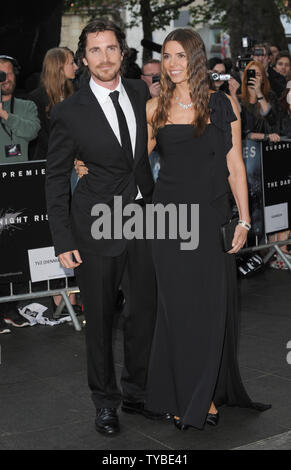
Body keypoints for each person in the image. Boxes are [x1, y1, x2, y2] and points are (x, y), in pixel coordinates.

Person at [45, 19, 168, 437]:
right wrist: (62, 239)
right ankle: (105, 402)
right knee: (98, 320)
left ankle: (138, 393)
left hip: (140, 217)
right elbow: (56, 178)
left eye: (111, 48)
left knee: (143, 313)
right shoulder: (68, 112)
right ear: (83, 58)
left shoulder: (138, 92)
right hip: (94, 224)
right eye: (95, 50)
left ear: (123, 52)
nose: (104, 58)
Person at [145, 28, 271, 430]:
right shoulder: (154, 108)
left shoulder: (221, 104)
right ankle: (185, 394)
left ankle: (206, 392)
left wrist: (244, 220)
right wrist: (86, 166)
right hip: (168, 221)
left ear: (196, 58)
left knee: (208, 309)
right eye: (167, 56)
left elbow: (235, 168)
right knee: (175, 309)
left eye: (181, 55)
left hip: (211, 216)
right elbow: (128, 162)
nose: (173, 64)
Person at [0, 55, 40, 332]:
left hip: (18, 186)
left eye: (8, 74)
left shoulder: (25, 105)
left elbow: (31, 131)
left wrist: (4, 114)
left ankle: (11, 307)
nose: (5, 79)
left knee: (15, 250)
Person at [28, 47, 78, 161]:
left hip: (75, 160)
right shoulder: (36, 98)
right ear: (59, 67)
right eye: (71, 63)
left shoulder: (76, 93)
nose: (76, 67)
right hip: (49, 161)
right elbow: (41, 135)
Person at [239, 61, 281, 143]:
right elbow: (240, 130)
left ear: (263, 78)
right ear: (245, 78)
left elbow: (272, 121)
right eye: (251, 74)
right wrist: (263, 136)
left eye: (258, 75)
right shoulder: (238, 100)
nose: (254, 78)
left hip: (266, 146)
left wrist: (258, 93)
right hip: (245, 148)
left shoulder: (270, 96)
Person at [141, 59, 162, 180]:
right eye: (151, 75)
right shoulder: (137, 96)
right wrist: (152, 98)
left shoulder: (174, 94)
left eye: (158, 75)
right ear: (143, 77)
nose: (156, 78)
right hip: (147, 153)